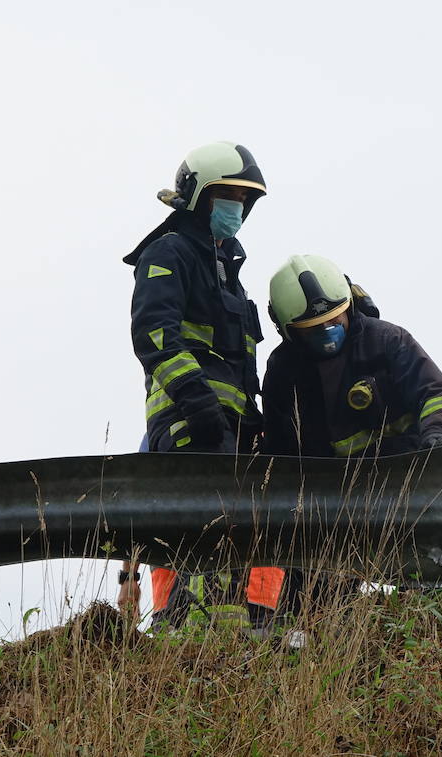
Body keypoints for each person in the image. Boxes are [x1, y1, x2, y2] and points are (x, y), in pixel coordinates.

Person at [117, 141, 283, 628]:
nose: (237, 208)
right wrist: (196, 401)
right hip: (189, 419)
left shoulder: (230, 274)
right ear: (197, 196)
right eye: (226, 196)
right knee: (195, 523)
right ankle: (183, 626)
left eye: (243, 199)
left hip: (234, 425)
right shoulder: (168, 254)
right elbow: (154, 336)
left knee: (247, 524)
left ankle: (245, 626)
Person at [261, 254, 442, 460]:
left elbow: (436, 394)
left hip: (403, 473)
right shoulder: (282, 371)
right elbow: (278, 450)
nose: (327, 330)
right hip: (324, 488)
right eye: (311, 327)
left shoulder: (386, 340)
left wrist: (438, 434)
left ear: (349, 307)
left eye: (334, 319)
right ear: (288, 331)